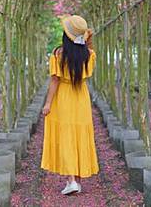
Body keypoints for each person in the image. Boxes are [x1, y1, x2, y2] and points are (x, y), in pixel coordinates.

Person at [41, 14, 99, 195]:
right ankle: (78, 181)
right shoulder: (89, 55)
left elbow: (55, 81)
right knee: (79, 134)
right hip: (81, 96)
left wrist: (48, 104)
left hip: (64, 97)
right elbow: (87, 70)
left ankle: (71, 180)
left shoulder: (59, 54)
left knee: (66, 135)